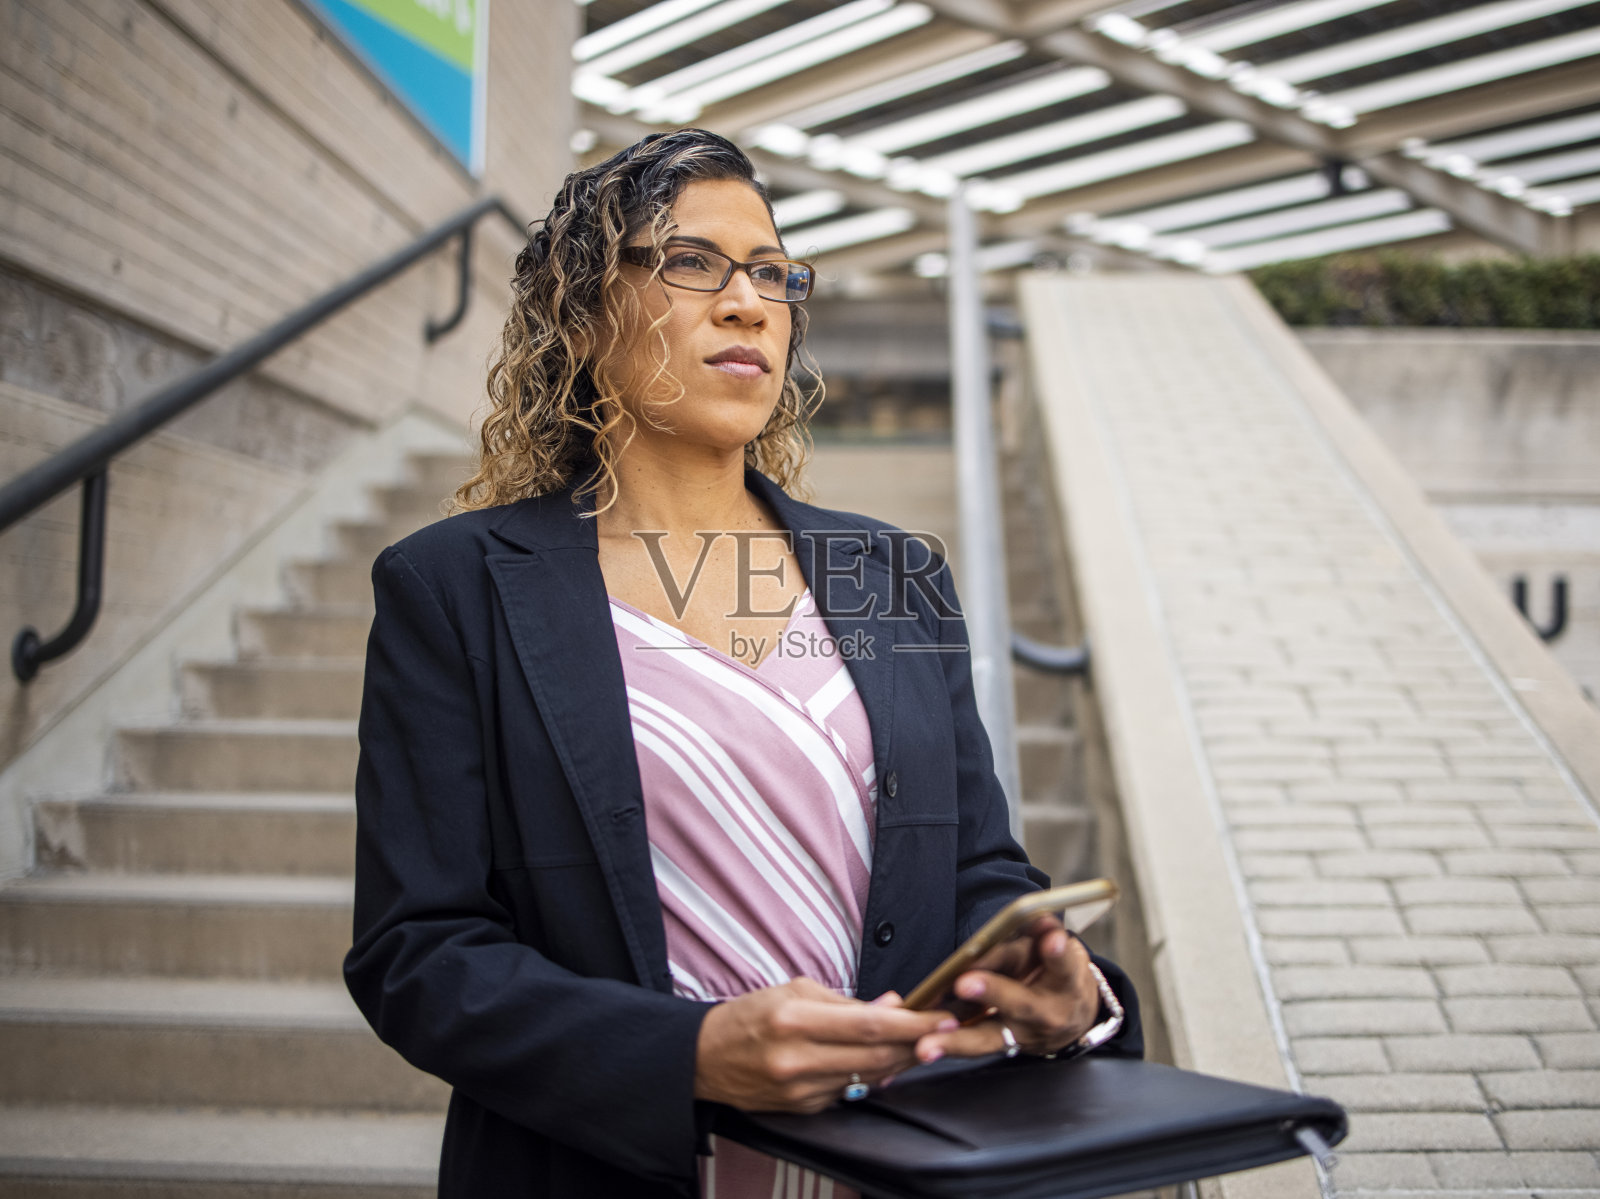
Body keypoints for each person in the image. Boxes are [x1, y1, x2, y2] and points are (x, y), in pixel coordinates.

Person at [344, 128, 1142, 1199]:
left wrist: (1061, 984)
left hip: (898, 1162)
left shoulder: (891, 574)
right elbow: (418, 951)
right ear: (581, 317)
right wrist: (688, 1054)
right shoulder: (454, 586)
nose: (746, 303)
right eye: (692, 263)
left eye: (771, 273)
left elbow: (975, 869)